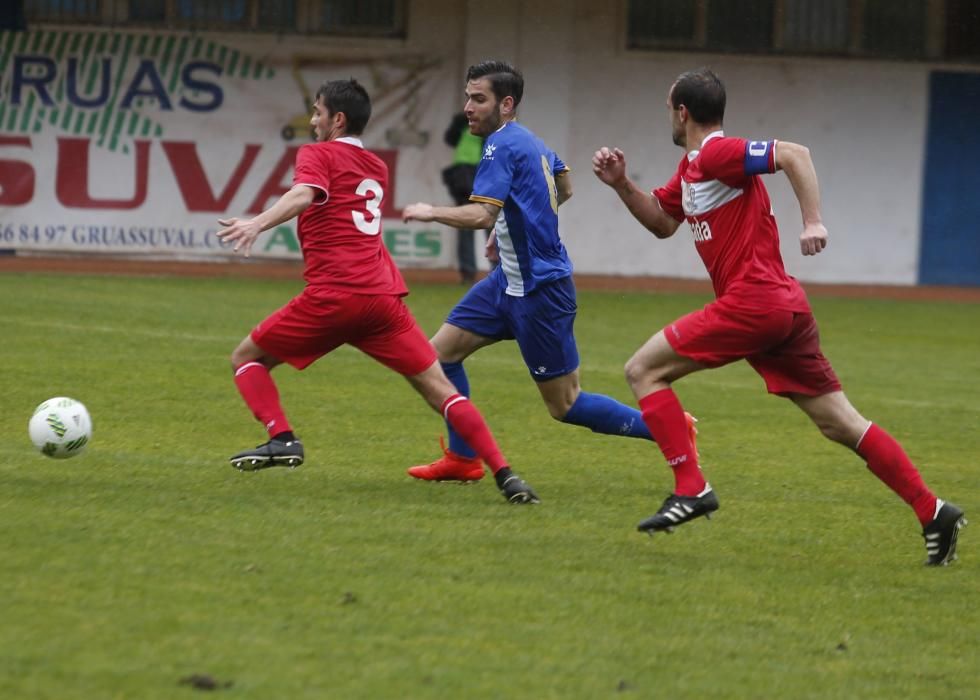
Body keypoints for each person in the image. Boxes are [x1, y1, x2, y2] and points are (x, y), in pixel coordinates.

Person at [591, 67, 965, 565]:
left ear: (682, 112)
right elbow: (662, 223)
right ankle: (932, 509)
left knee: (643, 370)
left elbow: (794, 154)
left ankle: (692, 487)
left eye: (669, 109)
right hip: (783, 308)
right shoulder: (692, 169)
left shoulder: (719, 153)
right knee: (840, 423)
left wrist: (812, 221)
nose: (669, 118)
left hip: (755, 302)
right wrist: (621, 185)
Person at [215, 78, 538, 504]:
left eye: (317, 112)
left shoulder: (317, 154)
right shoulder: (375, 165)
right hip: (382, 300)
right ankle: (507, 475)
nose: (313, 121)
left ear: (338, 118)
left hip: (334, 295)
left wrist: (257, 222)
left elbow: (304, 194)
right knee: (440, 389)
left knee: (246, 358)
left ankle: (284, 438)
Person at [402, 60, 697, 484]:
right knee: (439, 357)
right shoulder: (531, 142)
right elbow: (564, 187)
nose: (468, 106)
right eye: (467, 97)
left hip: (541, 290)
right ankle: (464, 459)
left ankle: (671, 428)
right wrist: (511, 229)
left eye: (478, 98)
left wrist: (432, 212)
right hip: (507, 281)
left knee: (566, 406)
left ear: (506, 104)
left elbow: (483, 214)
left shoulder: (500, 146)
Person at [441, 111, 489, 284]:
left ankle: (499, 270)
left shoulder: (493, 124)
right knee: (465, 223)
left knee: (491, 223)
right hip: (463, 175)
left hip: (485, 173)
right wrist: (461, 119)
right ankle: (467, 273)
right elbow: (450, 139)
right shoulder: (463, 122)